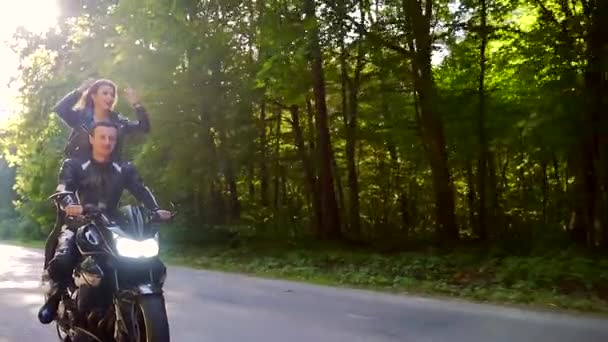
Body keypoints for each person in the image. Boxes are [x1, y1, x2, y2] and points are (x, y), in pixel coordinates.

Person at [38, 120, 172, 325]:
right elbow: (63, 187)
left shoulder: (124, 167)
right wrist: (70, 204)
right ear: (91, 138)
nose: (107, 141)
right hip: (80, 222)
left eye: (112, 138)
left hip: (113, 223)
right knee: (63, 259)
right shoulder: (74, 164)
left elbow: (140, 189)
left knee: (142, 256)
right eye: (102, 137)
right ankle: (55, 300)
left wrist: (155, 209)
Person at [52, 78, 151, 161]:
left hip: (109, 176)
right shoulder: (81, 117)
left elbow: (144, 127)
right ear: (94, 96)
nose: (110, 97)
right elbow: (61, 109)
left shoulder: (118, 122)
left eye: (112, 95)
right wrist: (80, 90)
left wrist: (137, 105)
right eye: (105, 93)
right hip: (80, 176)